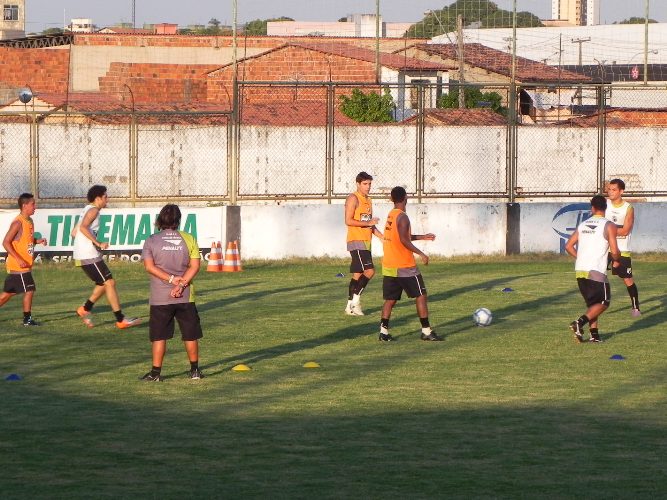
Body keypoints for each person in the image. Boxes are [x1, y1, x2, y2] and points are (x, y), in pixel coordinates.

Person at [140, 204, 204, 381]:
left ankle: (155, 374)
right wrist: (181, 284)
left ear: (160, 219)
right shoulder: (189, 238)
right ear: (178, 220)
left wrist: (170, 280)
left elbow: (149, 267)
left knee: (160, 336)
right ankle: (195, 371)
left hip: (160, 298)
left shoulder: (151, 240)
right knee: (190, 334)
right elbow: (195, 266)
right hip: (185, 296)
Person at [72, 185, 140, 329]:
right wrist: (98, 243)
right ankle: (120, 319)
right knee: (109, 283)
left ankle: (85, 309)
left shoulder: (87, 209)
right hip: (88, 254)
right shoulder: (94, 210)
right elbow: (83, 228)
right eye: (105, 197)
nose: (107, 199)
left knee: (104, 284)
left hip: (84, 254)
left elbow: (74, 232)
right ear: (98, 199)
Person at [378, 186, 440, 342]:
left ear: (392, 199)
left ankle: (383, 332)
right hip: (405, 266)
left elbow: (400, 236)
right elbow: (404, 240)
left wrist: (422, 237)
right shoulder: (403, 217)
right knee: (421, 295)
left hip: (389, 264)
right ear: (406, 198)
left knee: (390, 299)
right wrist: (421, 253)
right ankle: (426, 331)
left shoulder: (391, 215)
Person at [565, 195, 621, 343]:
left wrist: (581, 258)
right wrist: (617, 260)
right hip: (595, 270)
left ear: (592, 208)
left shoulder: (583, 225)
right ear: (606, 207)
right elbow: (614, 250)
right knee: (603, 302)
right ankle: (579, 322)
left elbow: (568, 246)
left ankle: (594, 335)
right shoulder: (609, 225)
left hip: (580, 269)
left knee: (592, 304)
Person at [0, 193, 47, 326]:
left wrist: (37, 240)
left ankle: (27, 319)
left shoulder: (29, 221)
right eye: (33, 204)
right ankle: (27, 319)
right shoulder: (18, 222)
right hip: (19, 266)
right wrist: (18, 259)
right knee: (29, 289)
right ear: (24, 205)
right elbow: (6, 242)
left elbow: (26, 239)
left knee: (7, 295)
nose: (35, 206)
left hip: (24, 265)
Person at [344, 171, 383, 316]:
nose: (368, 187)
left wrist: (381, 236)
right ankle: (355, 303)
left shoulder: (368, 200)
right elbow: (348, 220)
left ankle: (349, 307)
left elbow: (369, 223)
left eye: (370, 184)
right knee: (370, 271)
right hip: (356, 240)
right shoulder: (353, 198)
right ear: (358, 184)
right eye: (365, 184)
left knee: (357, 274)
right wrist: (368, 222)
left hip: (366, 241)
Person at [605, 178, 641, 317]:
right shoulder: (605, 204)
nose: (610, 192)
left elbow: (625, 230)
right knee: (598, 276)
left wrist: (609, 232)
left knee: (627, 279)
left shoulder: (628, 208)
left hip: (622, 250)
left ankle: (635, 307)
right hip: (605, 248)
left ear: (621, 191)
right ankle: (601, 303)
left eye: (614, 190)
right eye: (609, 189)